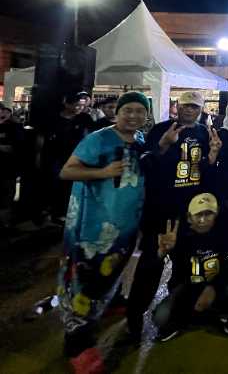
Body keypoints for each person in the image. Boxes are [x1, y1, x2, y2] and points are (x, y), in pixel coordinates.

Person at [57, 92, 149, 367]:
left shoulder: (140, 140)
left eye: (140, 111)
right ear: (117, 112)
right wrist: (102, 172)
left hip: (125, 228)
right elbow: (67, 171)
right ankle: (77, 342)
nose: (133, 116)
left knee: (111, 272)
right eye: (128, 110)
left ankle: (109, 303)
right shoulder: (99, 139)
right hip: (92, 229)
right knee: (84, 281)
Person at [127, 90, 221, 338]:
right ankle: (134, 320)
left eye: (195, 107)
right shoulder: (161, 130)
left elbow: (206, 176)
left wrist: (212, 157)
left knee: (183, 269)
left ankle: (175, 317)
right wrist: (164, 144)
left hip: (189, 214)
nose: (190, 110)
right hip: (160, 213)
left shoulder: (205, 133)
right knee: (150, 267)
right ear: (177, 106)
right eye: (186, 105)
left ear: (201, 110)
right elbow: (144, 165)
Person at [152, 193, 228, 341]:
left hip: (216, 284)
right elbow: (166, 273)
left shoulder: (224, 233)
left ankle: (227, 314)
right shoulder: (181, 238)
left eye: (208, 214)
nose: (203, 219)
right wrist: (162, 253)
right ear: (189, 217)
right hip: (189, 286)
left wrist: (213, 288)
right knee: (160, 318)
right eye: (198, 214)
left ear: (216, 214)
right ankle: (184, 319)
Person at [41, 91, 94, 222]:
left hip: (77, 157)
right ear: (66, 103)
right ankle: (51, 211)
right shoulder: (54, 118)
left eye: (82, 106)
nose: (80, 108)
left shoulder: (85, 118)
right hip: (55, 156)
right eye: (77, 105)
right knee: (54, 183)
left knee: (70, 185)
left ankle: (65, 212)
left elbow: (90, 137)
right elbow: (42, 138)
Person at [0, 104, 23, 229]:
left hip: (8, 169)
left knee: (6, 197)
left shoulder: (14, 127)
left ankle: (5, 223)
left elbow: (15, 148)